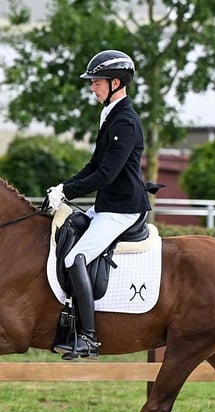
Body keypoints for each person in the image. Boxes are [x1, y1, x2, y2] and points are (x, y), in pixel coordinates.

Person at [46, 49, 151, 360]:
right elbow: (94, 164)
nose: (93, 87)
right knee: (65, 237)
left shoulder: (126, 122)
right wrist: (63, 187)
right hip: (107, 206)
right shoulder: (110, 115)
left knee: (75, 257)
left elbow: (106, 174)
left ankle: (88, 337)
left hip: (122, 209)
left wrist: (68, 193)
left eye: (97, 82)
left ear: (115, 83)